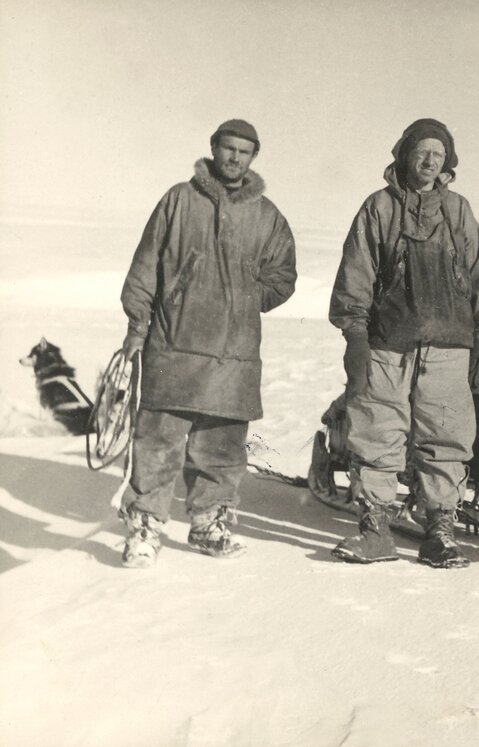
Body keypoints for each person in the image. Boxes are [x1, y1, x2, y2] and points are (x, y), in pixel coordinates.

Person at [118, 119, 297, 568]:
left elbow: (283, 278)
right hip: (173, 343)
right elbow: (146, 265)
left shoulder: (267, 216)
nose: (235, 158)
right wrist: (138, 327)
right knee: (158, 441)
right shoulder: (179, 200)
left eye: (244, 151)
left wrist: (243, 297)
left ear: (253, 157)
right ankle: (144, 526)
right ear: (214, 149)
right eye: (228, 148)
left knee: (220, 446)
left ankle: (208, 524)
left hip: (232, 354)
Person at [329, 118, 479, 569]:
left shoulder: (458, 210)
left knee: (445, 437)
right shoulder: (379, 207)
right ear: (405, 155)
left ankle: (440, 529)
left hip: (448, 343)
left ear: (448, 164)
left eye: (439, 156)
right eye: (422, 152)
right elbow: (357, 272)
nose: (429, 162)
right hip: (388, 342)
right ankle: (375, 528)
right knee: (377, 432)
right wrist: (355, 336)